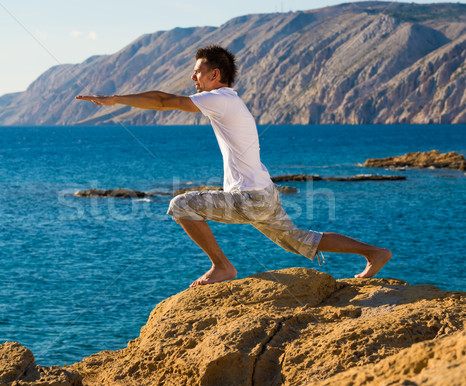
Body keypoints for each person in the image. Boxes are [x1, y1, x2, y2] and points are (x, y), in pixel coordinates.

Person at [76, 45, 392, 288]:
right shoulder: (228, 101)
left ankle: (222, 267)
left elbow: (163, 101)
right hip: (264, 193)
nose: (193, 78)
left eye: (198, 72)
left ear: (215, 75)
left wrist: (114, 99)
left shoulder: (220, 99)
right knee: (298, 240)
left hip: (251, 198)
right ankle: (374, 253)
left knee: (181, 205)